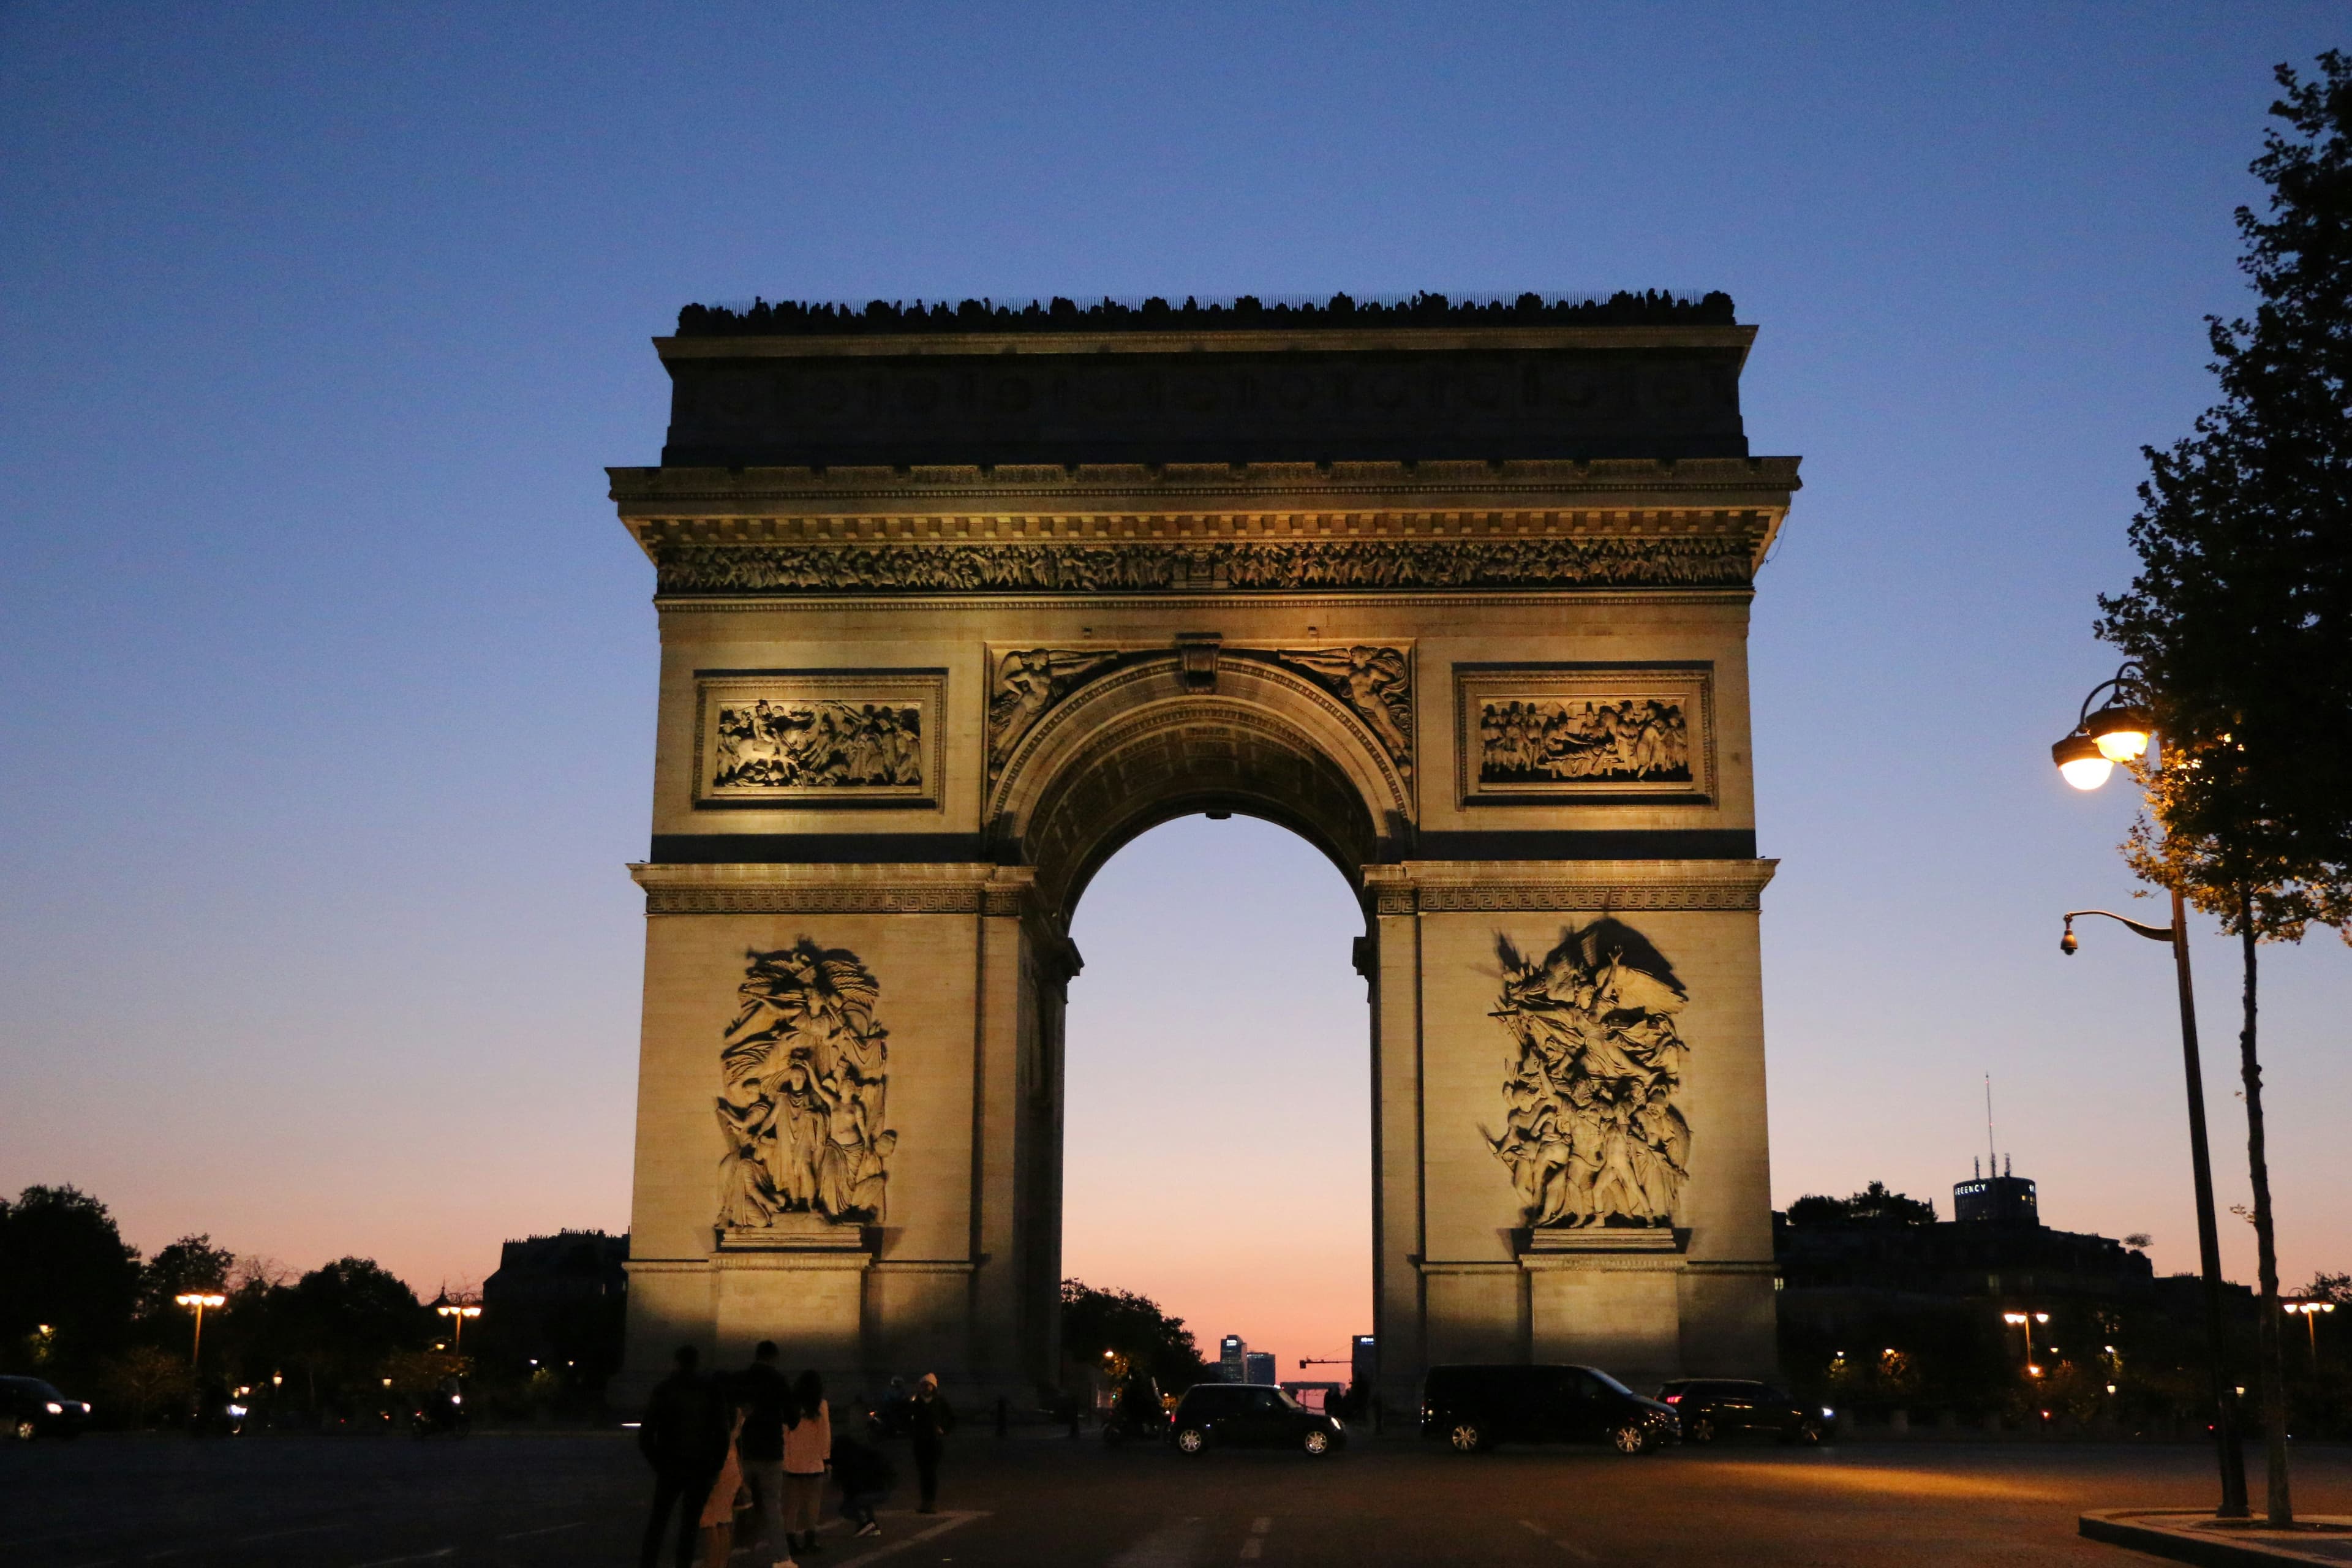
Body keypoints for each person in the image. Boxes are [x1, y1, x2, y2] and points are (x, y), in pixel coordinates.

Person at [639, 1346, 731, 1568]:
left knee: (658, 1523)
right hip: (700, 1468)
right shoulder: (711, 1390)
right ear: (697, 1362)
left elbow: (646, 1435)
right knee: (689, 1528)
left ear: (676, 1362)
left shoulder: (664, 1389)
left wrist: (658, 1463)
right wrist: (715, 1467)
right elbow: (722, 1433)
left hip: (670, 1465)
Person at [735, 1342, 794, 1568]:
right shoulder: (779, 1381)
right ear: (774, 1358)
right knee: (772, 1505)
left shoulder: (741, 1379)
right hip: (770, 1450)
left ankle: (722, 1555)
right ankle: (781, 1558)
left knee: (734, 1501)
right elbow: (791, 1416)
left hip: (744, 1449)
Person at [782, 1369, 832, 1555]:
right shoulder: (821, 1405)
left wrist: (785, 1458)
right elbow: (824, 1435)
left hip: (793, 1462)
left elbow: (785, 1434)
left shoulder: (791, 1405)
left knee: (791, 1505)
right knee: (812, 1503)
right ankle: (811, 1540)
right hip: (813, 1462)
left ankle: (790, 1540)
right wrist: (826, 1460)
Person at [696, 1394, 750, 1568]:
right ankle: (722, 1563)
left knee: (708, 1519)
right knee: (724, 1518)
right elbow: (735, 1443)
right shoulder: (737, 1413)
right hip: (732, 1465)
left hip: (716, 1465)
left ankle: (712, 1564)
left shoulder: (713, 1414)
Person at [830, 1431, 896, 1538]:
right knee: (862, 1501)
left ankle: (866, 1523)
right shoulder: (865, 1453)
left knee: (848, 1507)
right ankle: (871, 1525)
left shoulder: (846, 1461)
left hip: (871, 1491)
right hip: (882, 1489)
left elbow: (851, 1486)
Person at [908, 1372, 954, 1513]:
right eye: (923, 1385)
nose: (925, 1388)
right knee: (923, 1472)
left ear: (933, 1387)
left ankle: (931, 1502)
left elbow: (951, 1419)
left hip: (934, 1441)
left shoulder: (940, 1402)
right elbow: (906, 1417)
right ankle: (924, 1501)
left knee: (931, 1472)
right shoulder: (915, 1402)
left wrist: (943, 1429)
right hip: (920, 1440)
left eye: (928, 1385)